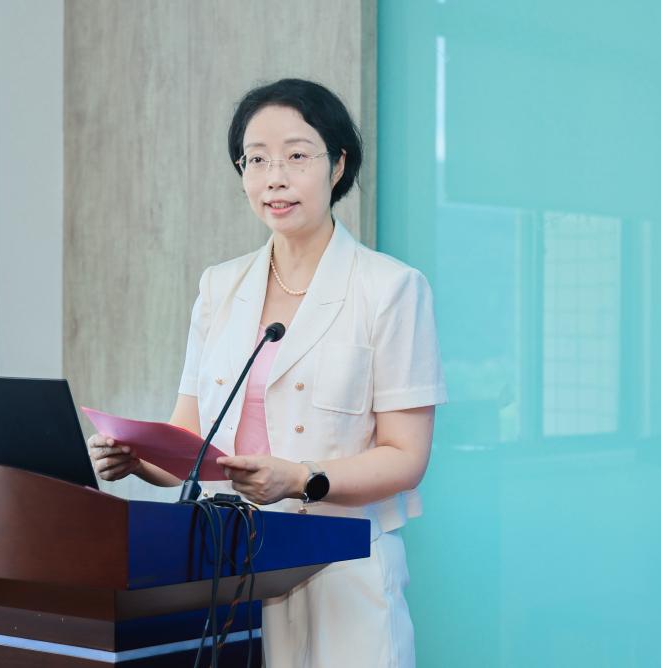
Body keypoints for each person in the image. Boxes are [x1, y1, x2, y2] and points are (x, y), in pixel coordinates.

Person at [87, 78, 447, 668]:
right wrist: (137, 458)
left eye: (297, 156)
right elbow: (190, 439)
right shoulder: (219, 286)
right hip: (229, 565)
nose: (274, 178)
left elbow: (406, 457)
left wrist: (300, 477)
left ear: (338, 165)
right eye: (256, 160)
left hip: (341, 568)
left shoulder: (391, 288)